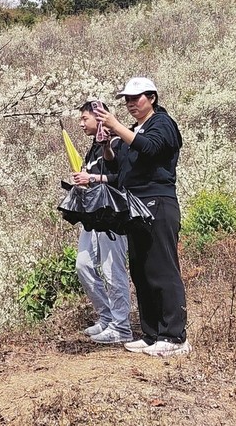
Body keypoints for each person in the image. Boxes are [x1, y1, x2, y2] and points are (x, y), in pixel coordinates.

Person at [94, 77, 190, 358]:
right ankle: (152, 333)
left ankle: (174, 336)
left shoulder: (162, 123)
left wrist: (116, 126)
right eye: (127, 99)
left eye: (136, 98)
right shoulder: (133, 129)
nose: (130, 104)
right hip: (134, 206)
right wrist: (107, 146)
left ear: (152, 98)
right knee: (142, 270)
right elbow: (120, 168)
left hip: (158, 202)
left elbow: (149, 148)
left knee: (162, 268)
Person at [70, 100, 132, 344]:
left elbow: (121, 177)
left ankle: (121, 326)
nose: (81, 123)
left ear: (99, 117)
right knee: (83, 265)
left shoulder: (118, 141)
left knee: (111, 269)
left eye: (85, 118)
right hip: (93, 214)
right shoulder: (93, 148)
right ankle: (106, 317)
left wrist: (93, 177)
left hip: (112, 215)